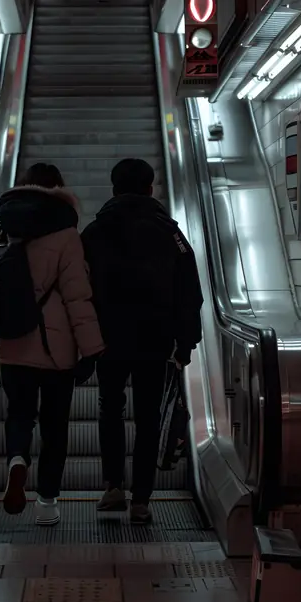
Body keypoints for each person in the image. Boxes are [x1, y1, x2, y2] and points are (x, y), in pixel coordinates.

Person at [81, 158, 203, 524]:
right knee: (148, 417)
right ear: (150, 189)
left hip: (108, 339)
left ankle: (113, 488)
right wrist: (187, 341)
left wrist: (82, 342)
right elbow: (189, 292)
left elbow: (78, 291)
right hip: (155, 337)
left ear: (114, 188)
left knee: (110, 409)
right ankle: (141, 501)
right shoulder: (171, 234)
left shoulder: (94, 232)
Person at [0, 163, 104, 526]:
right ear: (57, 188)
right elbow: (78, 299)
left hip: (13, 344)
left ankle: (16, 460)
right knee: (55, 426)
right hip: (58, 352)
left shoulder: (3, 229)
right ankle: (47, 503)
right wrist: (91, 351)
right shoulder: (66, 233)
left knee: (19, 414)